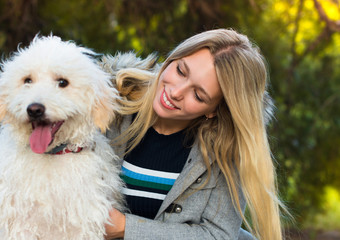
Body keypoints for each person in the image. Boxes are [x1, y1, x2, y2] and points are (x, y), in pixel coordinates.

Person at [102, 29, 288, 240]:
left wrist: (125, 227)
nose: (176, 92)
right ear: (173, 57)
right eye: (181, 71)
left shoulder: (225, 152)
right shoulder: (105, 103)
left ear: (213, 110)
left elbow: (217, 235)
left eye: (198, 95)